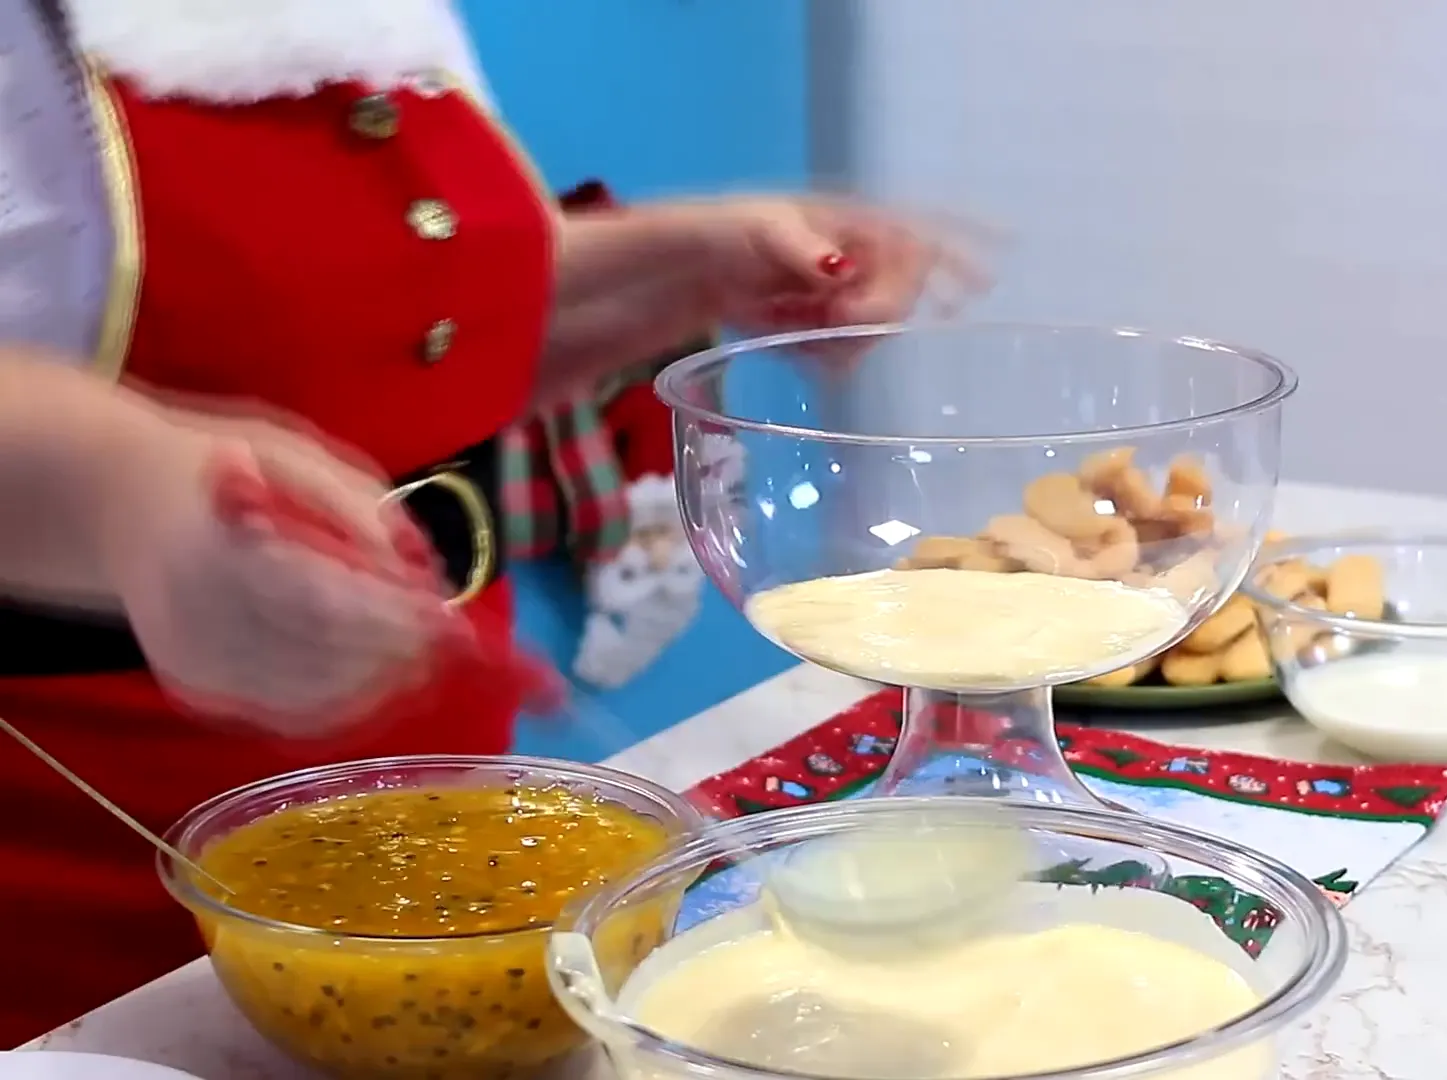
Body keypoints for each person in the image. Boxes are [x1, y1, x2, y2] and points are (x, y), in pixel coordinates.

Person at [0, 0, 971, 1042]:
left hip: (436, 775)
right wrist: (124, 487)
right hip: (77, 848)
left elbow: (398, 329)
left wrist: (689, 262)